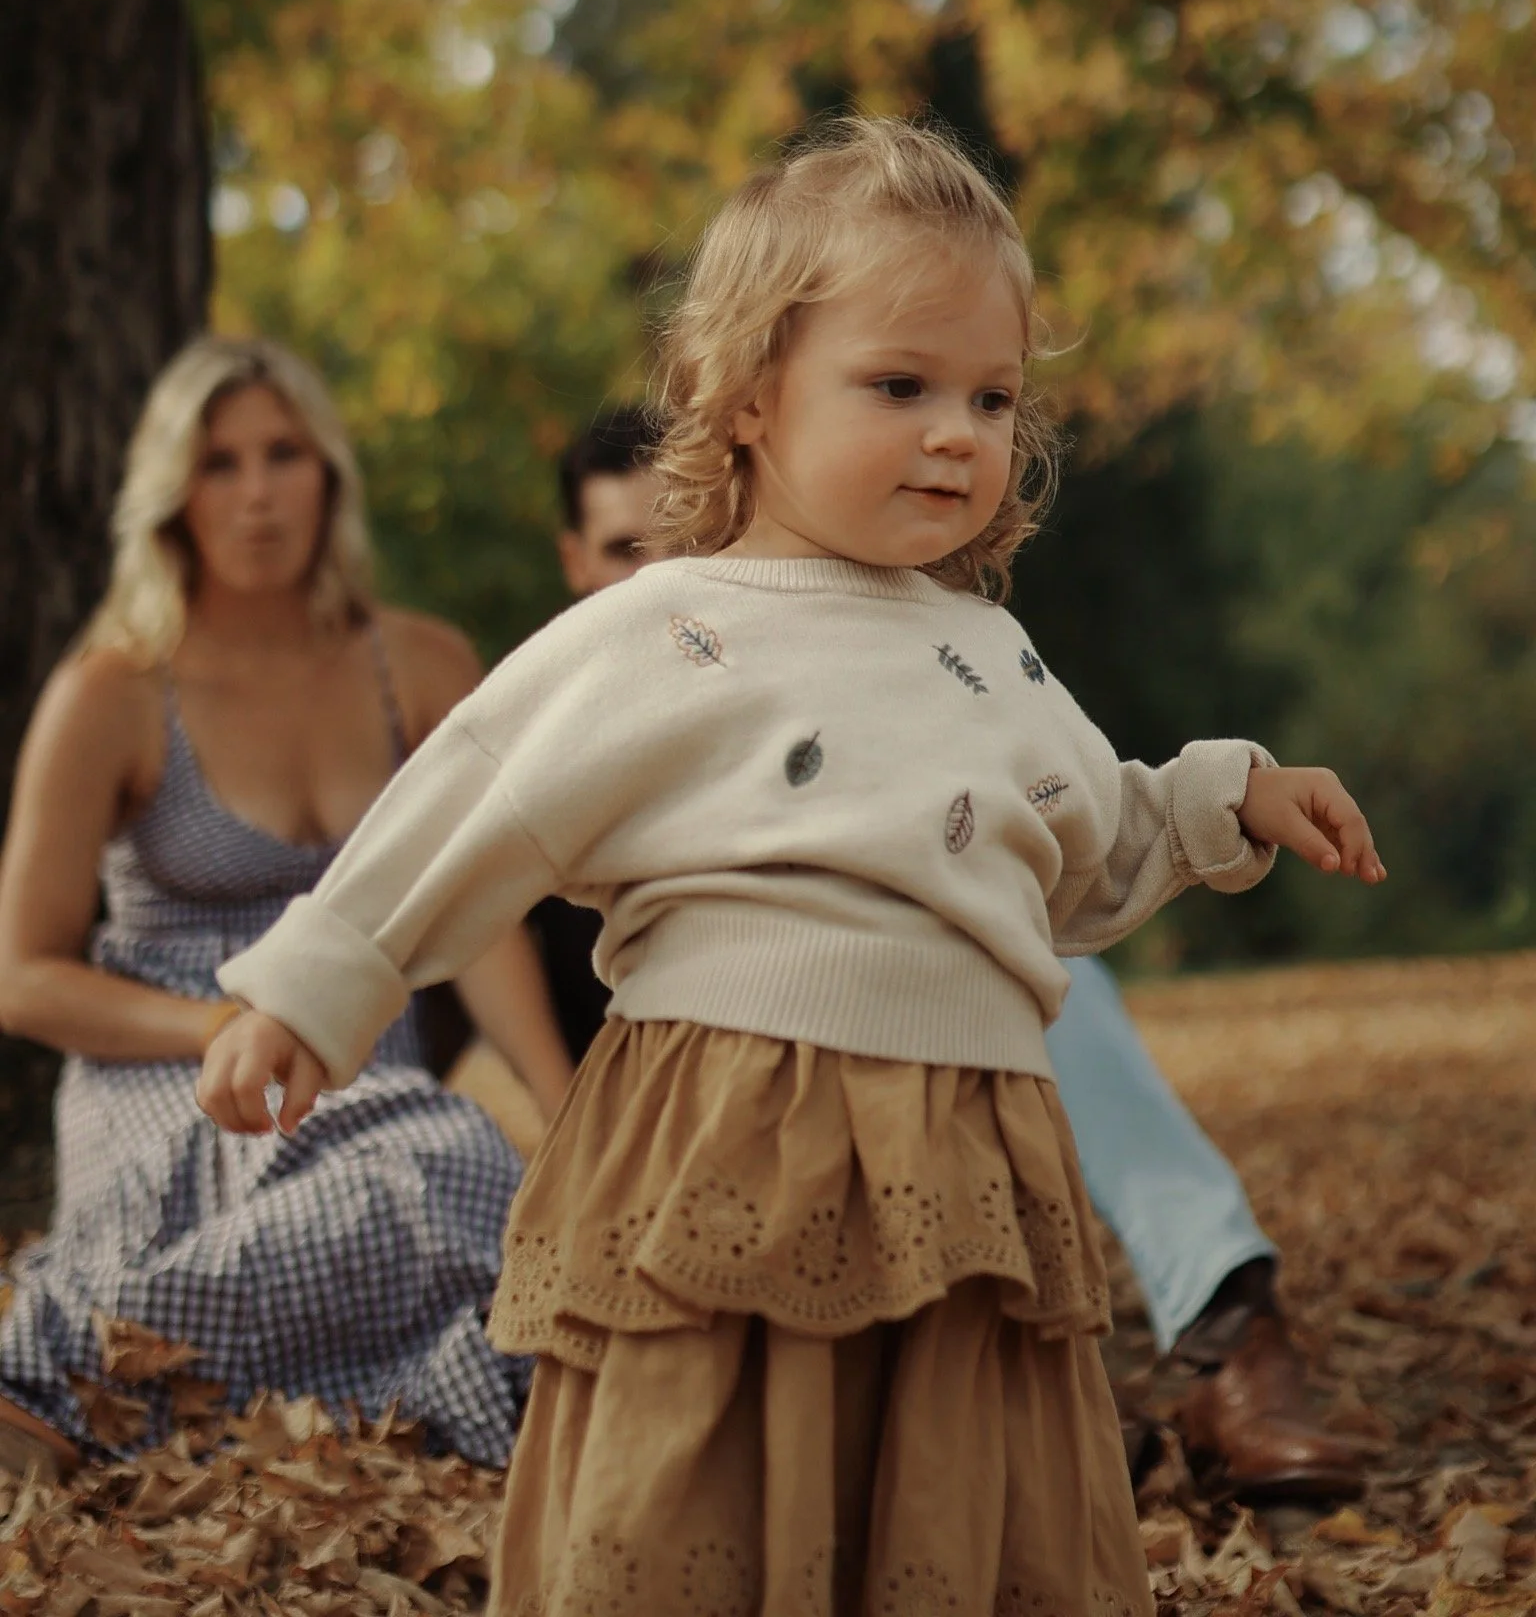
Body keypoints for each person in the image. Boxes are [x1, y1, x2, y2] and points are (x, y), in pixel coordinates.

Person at [201, 119, 1383, 1617]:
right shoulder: (670, 622)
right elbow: (474, 794)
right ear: (750, 393)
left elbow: (1085, 851)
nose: (959, 431)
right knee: (704, 1467)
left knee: (946, 1482)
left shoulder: (990, 652)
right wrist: (318, 985)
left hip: (963, 1154)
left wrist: (1234, 797)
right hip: (728, 1120)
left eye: (993, 396)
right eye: (900, 385)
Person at [531, 408, 1370, 1503]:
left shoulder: (822, 696)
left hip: (894, 1033)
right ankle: (1009, 1404)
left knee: (1032, 968)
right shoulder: (553, 737)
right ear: (572, 563)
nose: (656, 579)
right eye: (622, 552)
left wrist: (1222, 799)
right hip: (685, 1115)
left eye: (680, 544)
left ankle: (1230, 1329)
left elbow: (1059, 830)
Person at [0, 335, 574, 1481]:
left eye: (284, 455)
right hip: (169, 1085)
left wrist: (567, 1119)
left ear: (329, 475)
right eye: (220, 464)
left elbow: (481, 919)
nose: (258, 495)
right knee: (445, 1183)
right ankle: (59, 1366)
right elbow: (23, 977)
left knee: (470, 1179)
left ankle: (72, 1378)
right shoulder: (111, 691)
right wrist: (224, 1028)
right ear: (173, 495)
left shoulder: (418, 664)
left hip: (371, 1084)